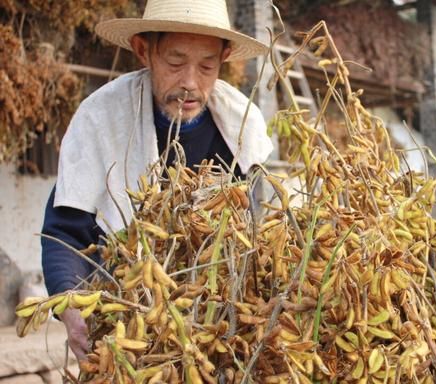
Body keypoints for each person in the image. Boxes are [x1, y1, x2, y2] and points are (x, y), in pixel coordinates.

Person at [40, 0, 273, 362]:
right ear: (143, 50)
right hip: (123, 325)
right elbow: (65, 232)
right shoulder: (101, 120)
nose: (190, 83)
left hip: (214, 333)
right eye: (175, 63)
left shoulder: (242, 128)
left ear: (225, 56)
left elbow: (255, 236)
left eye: (208, 66)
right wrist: (70, 306)